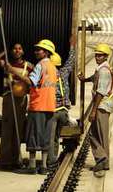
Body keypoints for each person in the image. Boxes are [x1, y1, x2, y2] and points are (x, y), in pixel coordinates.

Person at [6, 39, 57, 175]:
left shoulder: (40, 66)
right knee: (45, 136)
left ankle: (32, 166)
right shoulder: (53, 67)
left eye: (38, 50)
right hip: (50, 106)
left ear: (45, 52)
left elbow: (31, 81)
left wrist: (13, 71)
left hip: (38, 105)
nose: (36, 52)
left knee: (33, 135)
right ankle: (44, 166)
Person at [0, 43, 33, 170]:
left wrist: (14, 73)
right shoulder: (6, 64)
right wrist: (3, 52)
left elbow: (31, 82)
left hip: (21, 99)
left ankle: (16, 159)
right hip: (8, 98)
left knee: (18, 129)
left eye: (20, 48)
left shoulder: (29, 66)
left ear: (23, 51)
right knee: (7, 129)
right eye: (14, 48)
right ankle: (5, 160)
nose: (17, 50)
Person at [78, 43, 113, 178]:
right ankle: (104, 162)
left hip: (101, 106)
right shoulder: (103, 68)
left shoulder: (103, 71)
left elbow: (100, 92)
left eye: (100, 55)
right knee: (101, 135)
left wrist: (93, 111)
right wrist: (85, 79)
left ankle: (102, 158)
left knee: (93, 134)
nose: (97, 57)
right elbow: (95, 79)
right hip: (104, 106)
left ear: (105, 56)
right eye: (96, 55)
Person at [48, 36, 76, 168]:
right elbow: (71, 62)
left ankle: (51, 161)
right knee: (57, 136)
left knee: (51, 137)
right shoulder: (63, 73)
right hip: (64, 112)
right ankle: (54, 159)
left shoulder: (47, 75)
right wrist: (72, 46)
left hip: (53, 112)